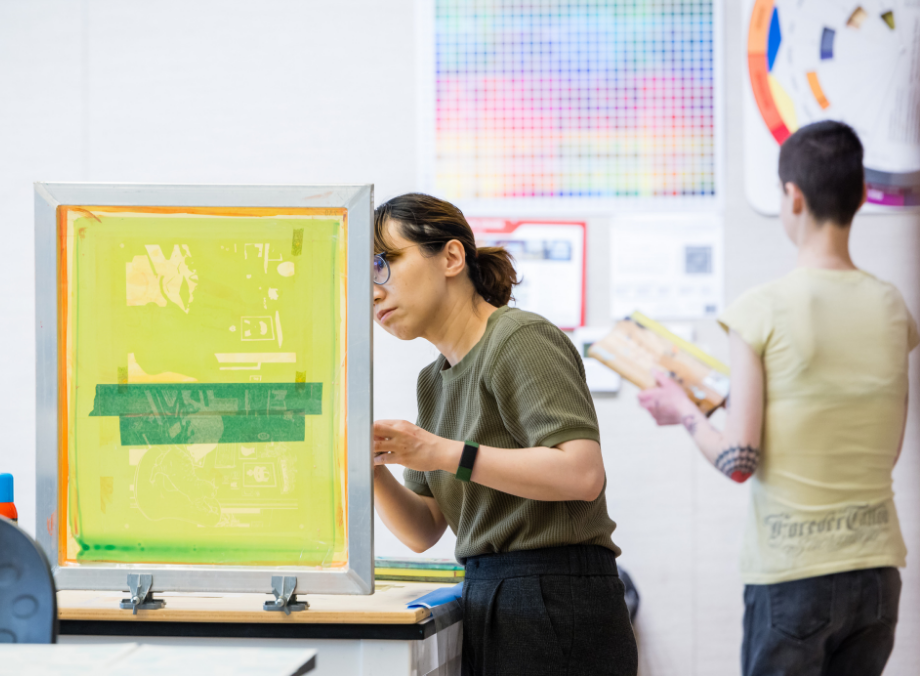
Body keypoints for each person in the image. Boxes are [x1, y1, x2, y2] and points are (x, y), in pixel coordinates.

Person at [638, 120, 917, 676]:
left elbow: (738, 461)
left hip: (794, 575)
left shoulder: (760, 310)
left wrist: (685, 412)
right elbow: (882, 452)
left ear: (793, 194)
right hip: (877, 574)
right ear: (861, 195)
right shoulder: (894, 311)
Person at [371, 193, 637, 676]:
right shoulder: (433, 381)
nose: (373, 291)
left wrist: (442, 452)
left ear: (451, 257)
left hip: (556, 593)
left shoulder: (518, 337)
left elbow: (581, 473)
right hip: (487, 590)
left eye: (384, 263)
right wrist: (367, 464)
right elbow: (422, 529)